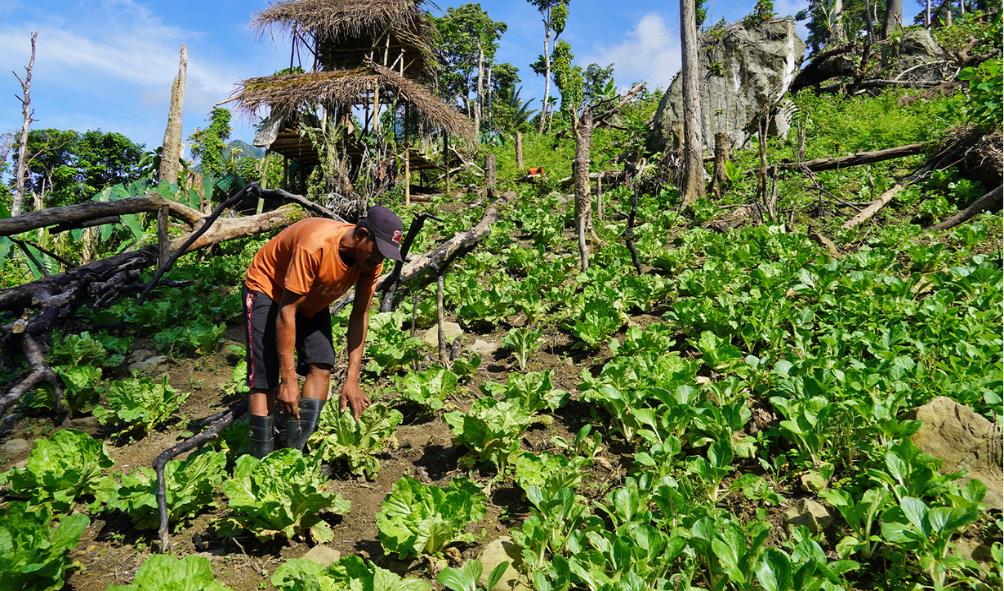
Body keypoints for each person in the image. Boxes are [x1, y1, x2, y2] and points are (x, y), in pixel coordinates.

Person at [242, 205, 404, 459]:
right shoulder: (315, 245)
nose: (379, 260)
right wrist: (289, 380)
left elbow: (359, 315)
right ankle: (260, 461)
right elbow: (287, 310)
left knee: (321, 364)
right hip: (270, 289)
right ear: (362, 235)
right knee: (265, 380)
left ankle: (294, 451)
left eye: (386, 254)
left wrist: (352, 378)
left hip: (311, 296)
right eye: (378, 251)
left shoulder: (370, 262)